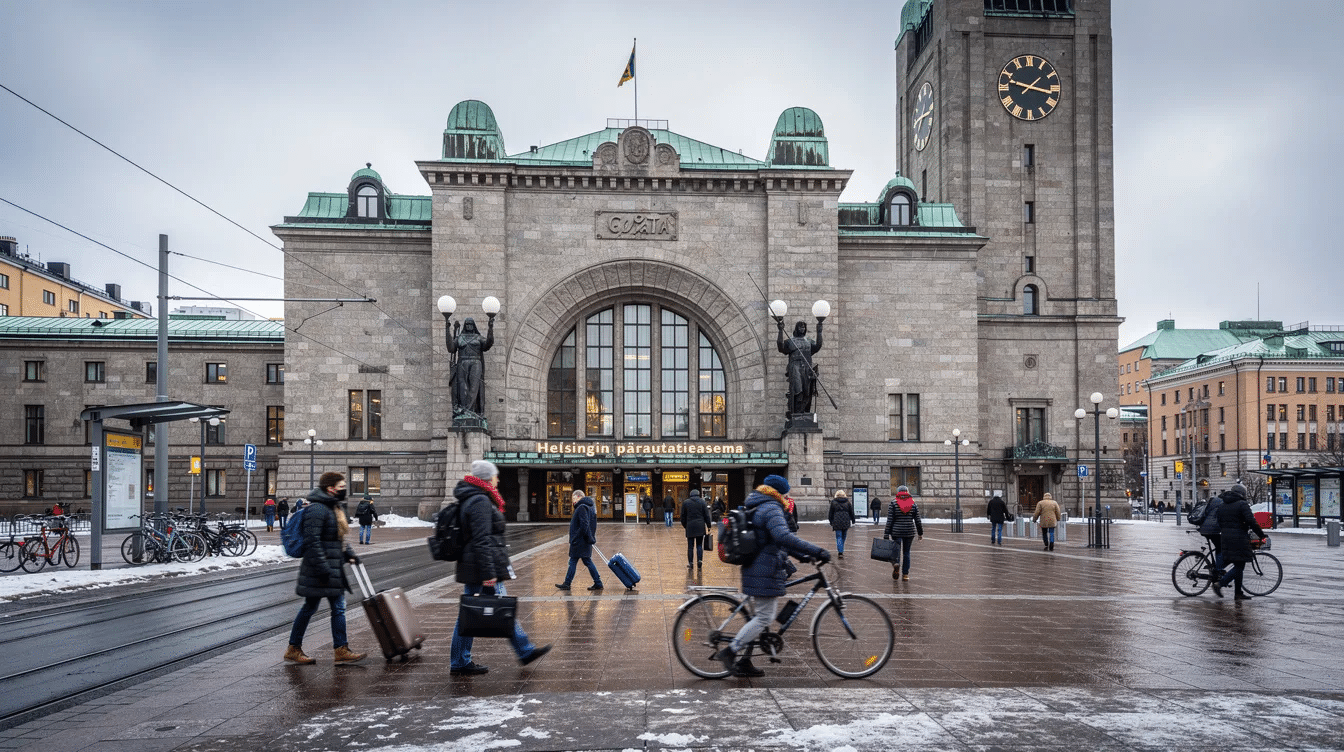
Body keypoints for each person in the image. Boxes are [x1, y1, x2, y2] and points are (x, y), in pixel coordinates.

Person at [715, 475, 829, 677]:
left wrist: (802, 556)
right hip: (763, 569)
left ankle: (745, 662)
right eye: (787, 491)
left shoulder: (762, 504)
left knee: (761, 618)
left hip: (759, 566)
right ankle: (730, 651)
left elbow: (774, 541)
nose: (789, 495)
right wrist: (817, 551)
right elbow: (783, 536)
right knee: (764, 617)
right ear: (780, 492)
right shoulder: (772, 508)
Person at [449, 460, 551, 675]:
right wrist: (489, 574)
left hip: (476, 565)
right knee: (494, 610)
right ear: (487, 478)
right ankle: (523, 650)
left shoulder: (474, 497)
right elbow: (482, 539)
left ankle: (461, 660)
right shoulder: (479, 501)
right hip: (481, 567)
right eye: (495, 476)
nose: (498, 479)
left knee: (469, 614)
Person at [284, 472, 366, 665]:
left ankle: (340, 649)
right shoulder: (318, 509)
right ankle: (294, 648)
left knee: (335, 608)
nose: (344, 488)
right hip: (319, 570)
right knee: (311, 608)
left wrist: (350, 554)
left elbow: (338, 539)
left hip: (330, 568)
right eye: (342, 485)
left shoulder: (333, 507)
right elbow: (313, 542)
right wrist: (324, 568)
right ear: (331, 488)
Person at [1212, 483, 1266, 600]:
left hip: (1226, 537)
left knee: (1238, 564)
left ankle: (1238, 593)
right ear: (1242, 494)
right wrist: (1261, 535)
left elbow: (1219, 522)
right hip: (1239, 538)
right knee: (1239, 566)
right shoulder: (1242, 504)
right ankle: (1219, 584)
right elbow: (1251, 521)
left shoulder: (1222, 505)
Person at [446, 316, 495, 421]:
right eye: (467, 324)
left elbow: (488, 344)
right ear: (465, 326)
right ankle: (463, 410)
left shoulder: (478, 337)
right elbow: (451, 348)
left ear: (473, 326)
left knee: (474, 387)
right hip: (462, 362)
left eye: (470, 324)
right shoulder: (460, 338)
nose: (469, 326)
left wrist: (490, 328)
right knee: (462, 388)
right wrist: (447, 330)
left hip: (475, 362)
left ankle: (469, 411)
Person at [775, 318, 824, 418]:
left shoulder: (808, 341)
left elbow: (818, 346)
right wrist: (780, 331)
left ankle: (804, 413)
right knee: (798, 390)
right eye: (800, 327)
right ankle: (796, 413)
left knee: (807, 392)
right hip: (795, 368)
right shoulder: (791, 341)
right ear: (796, 328)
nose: (802, 328)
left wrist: (819, 332)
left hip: (807, 369)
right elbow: (781, 347)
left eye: (803, 327)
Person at [556, 490, 603, 591]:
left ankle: (568, 583)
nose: (572, 501)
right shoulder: (590, 507)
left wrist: (575, 537)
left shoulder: (581, 507)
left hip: (580, 541)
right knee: (584, 561)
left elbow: (584, 525)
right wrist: (590, 537)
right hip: (585, 540)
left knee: (574, 561)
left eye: (573, 498)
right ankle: (597, 582)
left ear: (578, 497)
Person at [884, 485, 924, 580]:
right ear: (907, 492)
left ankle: (896, 564)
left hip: (896, 531)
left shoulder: (893, 503)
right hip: (909, 531)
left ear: (898, 492)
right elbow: (918, 520)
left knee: (896, 552)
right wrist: (920, 533)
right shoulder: (913, 503)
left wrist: (886, 533)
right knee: (906, 552)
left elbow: (890, 520)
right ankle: (905, 574)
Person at [1198, 490, 1228, 577]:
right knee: (1221, 546)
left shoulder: (1214, 501)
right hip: (1212, 529)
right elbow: (1223, 518)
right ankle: (1218, 569)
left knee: (1218, 546)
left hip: (1204, 528)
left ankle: (1216, 566)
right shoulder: (1223, 504)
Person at [681, 488, 712, 570]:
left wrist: (685, 525)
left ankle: (691, 563)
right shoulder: (702, 502)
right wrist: (709, 525)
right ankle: (699, 561)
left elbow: (682, 517)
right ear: (698, 494)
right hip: (700, 527)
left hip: (690, 527)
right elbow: (706, 515)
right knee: (699, 545)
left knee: (690, 546)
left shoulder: (686, 503)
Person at [827, 490, 854, 559]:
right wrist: (853, 520)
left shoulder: (833, 502)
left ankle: (840, 551)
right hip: (846, 521)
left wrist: (831, 521)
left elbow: (831, 513)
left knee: (838, 537)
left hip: (837, 521)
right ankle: (841, 548)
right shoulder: (847, 502)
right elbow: (851, 512)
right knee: (843, 537)